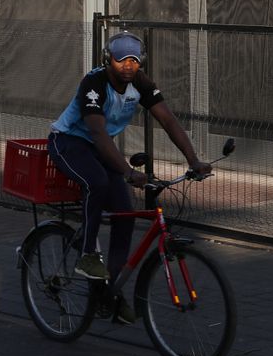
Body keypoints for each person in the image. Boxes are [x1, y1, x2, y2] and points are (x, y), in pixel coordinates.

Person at [48, 31, 212, 325]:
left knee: (125, 214)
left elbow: (168, 119)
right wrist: (127, 172)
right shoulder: (94, 84)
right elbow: (97, 133)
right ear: (107, 60)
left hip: (101, 148)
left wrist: (194, 160)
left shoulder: (141, 84)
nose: (128, 65)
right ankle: (88, 256)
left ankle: (108, 294)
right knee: (96, 182)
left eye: (134, 60)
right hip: (70, 143)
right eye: (121, 59)